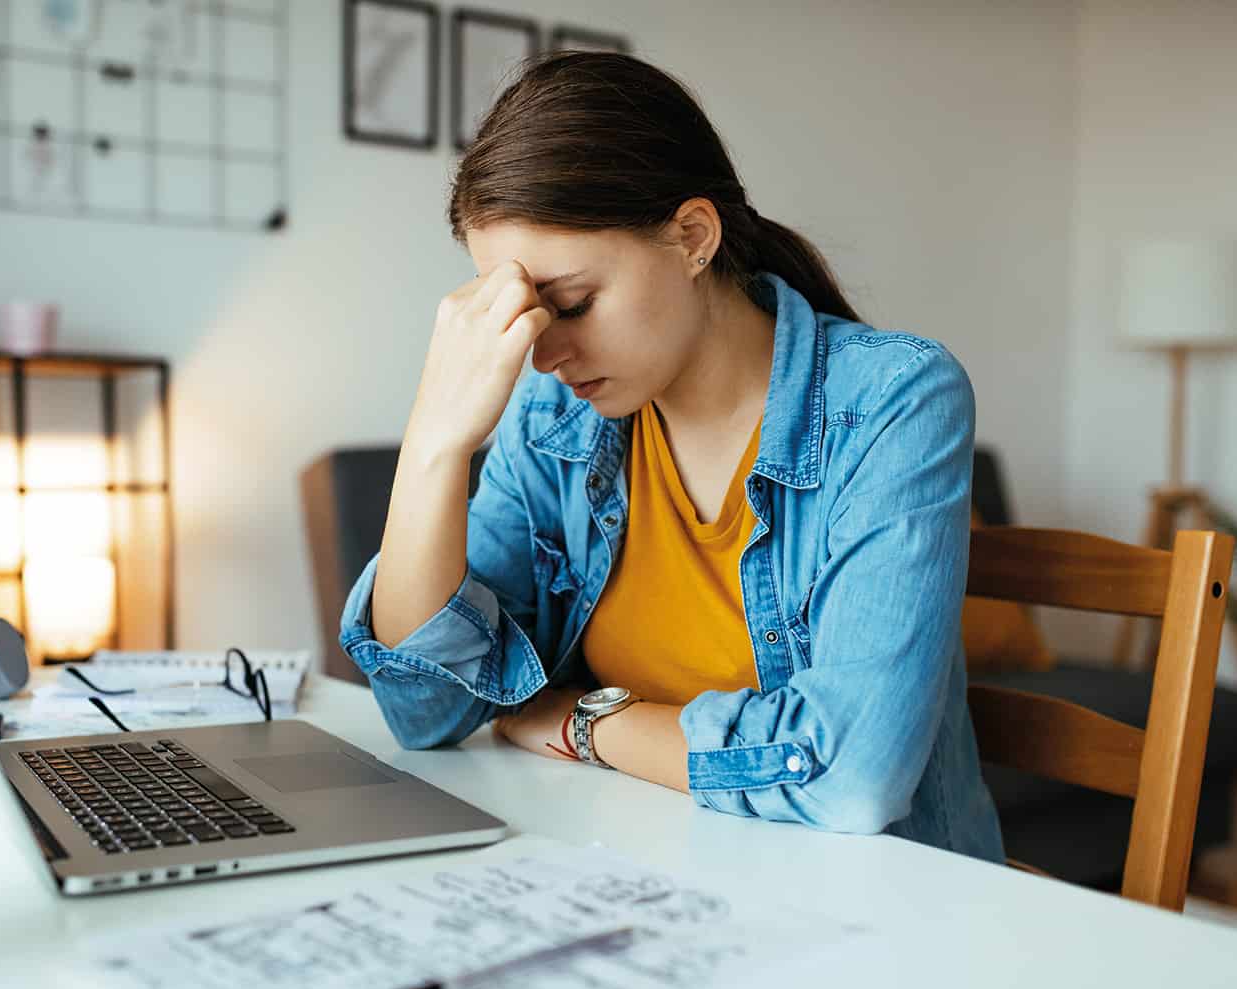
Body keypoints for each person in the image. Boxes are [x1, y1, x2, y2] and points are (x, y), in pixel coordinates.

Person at [338, 51, 1003, 861]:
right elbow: (430, 710)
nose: (545, 355)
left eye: (572, 304)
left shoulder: (894, 401)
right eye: (523, 315)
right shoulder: (556, 415)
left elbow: (851, 776)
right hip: (641, 867)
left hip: (872, 906)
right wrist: (435, 443)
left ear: (693, 237)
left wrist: (586, 721)